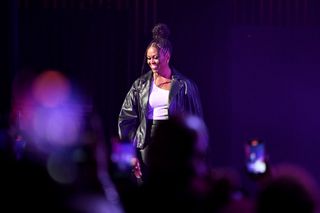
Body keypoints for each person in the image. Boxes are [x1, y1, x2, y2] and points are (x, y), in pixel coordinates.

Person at [118, 23, 203, 181]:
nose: (152, 62)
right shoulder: (140, 85)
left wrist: (194, 157)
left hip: (174, 143)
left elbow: (196, 122)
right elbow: (126, 120)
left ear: (167, 56)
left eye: (155, 57)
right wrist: (130, 154)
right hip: (147, 144)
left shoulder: (185, 85)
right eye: (149, 58)